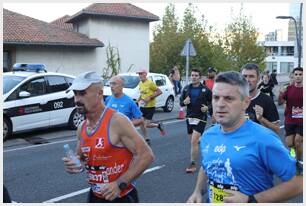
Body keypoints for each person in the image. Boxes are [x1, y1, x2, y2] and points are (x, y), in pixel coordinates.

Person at [187, 71, 302, 203]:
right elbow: (207, 165)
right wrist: (197, 191)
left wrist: (251, 200)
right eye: (216, 97)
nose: (220, 104)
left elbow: (299, 182)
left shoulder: (263, 138)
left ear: (245, 103)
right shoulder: (208, 135)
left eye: (229, 98)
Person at [62, 71, 154, 203]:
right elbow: (82, 159)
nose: (77, 99)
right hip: (95, 196)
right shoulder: (82, 127)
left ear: (99, 93)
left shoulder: (117, 121)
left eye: (82, 94)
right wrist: (76, 165)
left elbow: (146, 155)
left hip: (121, 196)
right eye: (75, 94)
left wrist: (119, 184)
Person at [180, 68, 212, 173]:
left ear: (200, 77)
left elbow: (213, 103)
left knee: (194, 141)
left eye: (196, 75)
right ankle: (206, 151)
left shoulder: (206, 90)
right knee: (193, 142)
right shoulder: (186, 89)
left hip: (201, 118)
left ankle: (192, 163)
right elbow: (181, 103)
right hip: (190, 117)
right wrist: (184, 102)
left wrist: (208, 108)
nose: (193, 77)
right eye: (192, 75)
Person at [241, 63, 280, 134]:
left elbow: (276, 130)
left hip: (257, 144)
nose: (247, 80)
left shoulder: (267, 100)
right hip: (237, 143)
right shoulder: (232, 99)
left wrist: (261, 119)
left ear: (258, 79)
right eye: (244, 76)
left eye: (251, 76)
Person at [278, 67, 303, 161]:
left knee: (297, 141)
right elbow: (280, 103)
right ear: (293, 76)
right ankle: (293, 151)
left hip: (302, 121)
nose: (298, 76)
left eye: (300, 74)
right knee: (289, 143)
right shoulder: (288, 89)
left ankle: (298, 161)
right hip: (289, 119)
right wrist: (280, 94)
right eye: (296, 74)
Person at [137, 69, 166, 146]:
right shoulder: (140, 83)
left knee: (147, 124)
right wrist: (138, 100)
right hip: (143, 106)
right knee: (141, 123)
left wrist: (150, 97)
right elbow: (142, 94)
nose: (140, 75)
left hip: (150, 107)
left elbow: (159, 91)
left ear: (145, 74)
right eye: (139, 74)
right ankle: (146, 139)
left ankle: (158, 125)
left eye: (141, 73)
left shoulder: (150, 83)